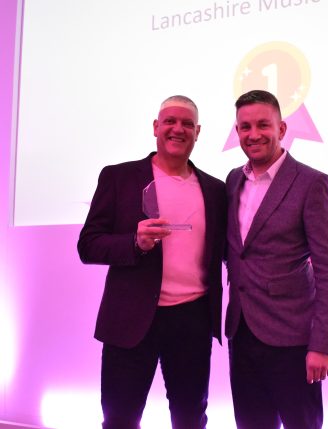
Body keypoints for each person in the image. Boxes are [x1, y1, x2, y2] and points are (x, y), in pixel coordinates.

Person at [77, 95, 226, 429]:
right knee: (120, 419)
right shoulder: (119, 178)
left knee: (190, 418)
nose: (178, 128)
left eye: (187, 123)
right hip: (129, 320)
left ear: (198, 131)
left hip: (192, 319)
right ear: (156, 127)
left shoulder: (216, 190)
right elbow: (88, 245)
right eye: (170, 121)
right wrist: (134, 242)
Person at [225, 90, 328, 429]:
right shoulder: (234, 180)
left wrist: (323, 343)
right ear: (237, 132)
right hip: (242, 333)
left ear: (281, 128)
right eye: (245, 127)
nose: (254, 134)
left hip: (294, 340)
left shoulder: (312, 183)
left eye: (263, 125)